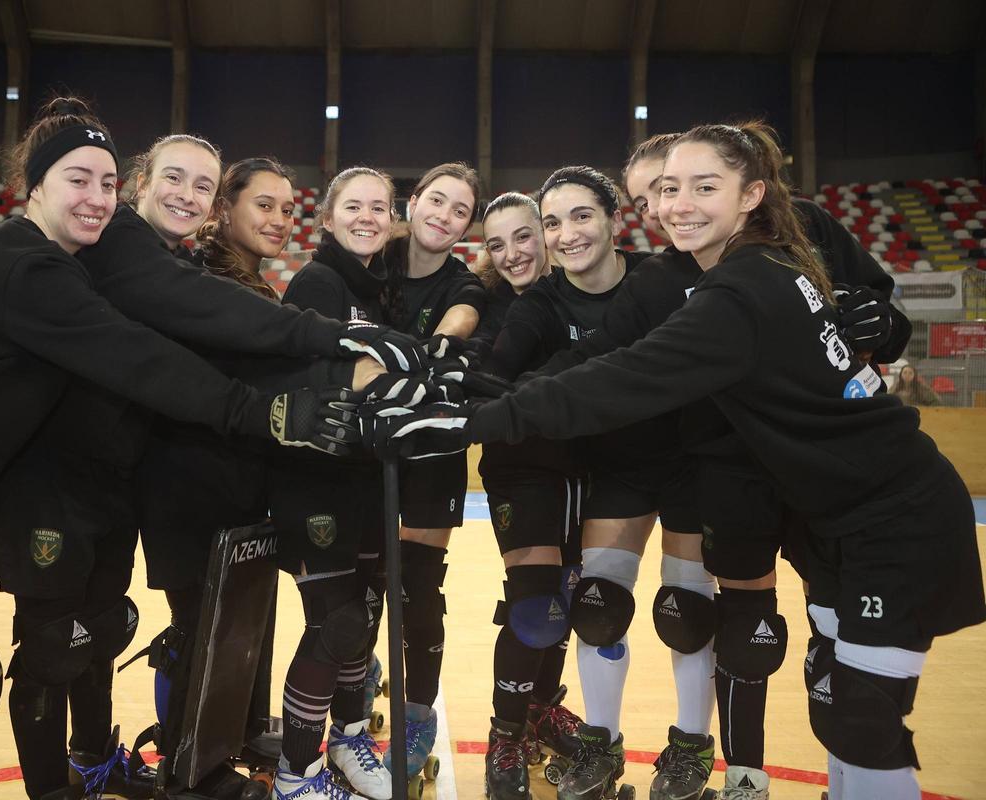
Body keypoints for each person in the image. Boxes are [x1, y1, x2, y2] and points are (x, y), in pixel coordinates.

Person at [370, 120, 986, 800]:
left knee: (863, 724)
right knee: (844, 711)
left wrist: (465, 421)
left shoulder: (739, 294)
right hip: (840, 517)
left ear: (752, 194)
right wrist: (465, 395)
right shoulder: (762, 265)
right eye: (667, 190)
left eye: (704, 188)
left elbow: (618, 379)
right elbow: (595, 357)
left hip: (890, 516)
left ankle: (729, 758)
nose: (676, 206)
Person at [0, 96, 367, 800]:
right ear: (33, 185)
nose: (96, 197)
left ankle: (84, 759)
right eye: (76, 179)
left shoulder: (43, 258)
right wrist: (265, 409)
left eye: (105, 183)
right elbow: (137, 356)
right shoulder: (30, 268)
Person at [0, 126, 422, 800]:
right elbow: (205, 346)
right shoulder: (126, 245)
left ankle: (100, 759)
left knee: (101, 630)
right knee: (57, 646)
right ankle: (113, 779)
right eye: (174, 177)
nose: (188, 195)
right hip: (58, 474)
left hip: (114, 473)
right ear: (139, 183)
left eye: (202, 185)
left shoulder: (166, 256)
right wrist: (334, 348)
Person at [609, 131, 910, 799]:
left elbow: (885, 321)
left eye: (673, 185)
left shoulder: (808, 229)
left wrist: (882, 327)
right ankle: (745, 774)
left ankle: (847, 779)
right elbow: (608, 368)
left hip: (817, 470)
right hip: (730, 476)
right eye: (647, 199)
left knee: (835, 626)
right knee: (747, 631)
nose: (663, 208)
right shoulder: (657, 279)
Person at [132, 156, 390, 799]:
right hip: (188, 480)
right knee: (196, 631)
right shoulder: (200, 281)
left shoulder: (253, 285)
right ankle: (186, 771)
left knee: (229, 629)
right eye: (263, 205)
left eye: (287, 208)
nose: (278, 219)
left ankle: (228, 741)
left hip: (235, 482)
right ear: (225, 210)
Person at [488, 166, 713, 800]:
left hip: (690, 461)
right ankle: (601, 746)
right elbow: (506, 362)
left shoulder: (664, 278)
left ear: (615, 219)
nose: (567, 234)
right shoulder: (542, 301)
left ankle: (691, 748)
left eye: (582, 216)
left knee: (687, 613)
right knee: (596, 608)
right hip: (616, 467)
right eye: (553, 223)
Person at [268, 166, 428, 800]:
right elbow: (304, 376)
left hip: (365, 479)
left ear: (393, 220)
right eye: (353, 206)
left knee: (362, 618)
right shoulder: (319, 281)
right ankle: (295, 774)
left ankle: (350, 737)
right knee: (333, 625)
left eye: (379, 207)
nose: (367, 217)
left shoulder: (377, 287)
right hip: (316, 481)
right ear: (328, 217)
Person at [473, 191, 593, 800]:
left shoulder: (578, 294)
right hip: (520, 468)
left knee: (567, 598)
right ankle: (506, 734)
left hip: (584, 469)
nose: (513, 253)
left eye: (523, 236)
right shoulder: (486, 306)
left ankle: (542, 707)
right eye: (497, 244)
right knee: (533, 604)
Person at [375, 162, 487, 784]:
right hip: (364, 444)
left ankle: (417, 716)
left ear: (467, 226)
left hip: (431, 446)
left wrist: (433, 349)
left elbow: (464, 314)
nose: (444, 215)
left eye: (459, 210)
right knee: (362, 581)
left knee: (418, 586)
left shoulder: (462, 283)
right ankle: (359, 680)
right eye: (436, 200)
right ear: (413, 202)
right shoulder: (372, 260)